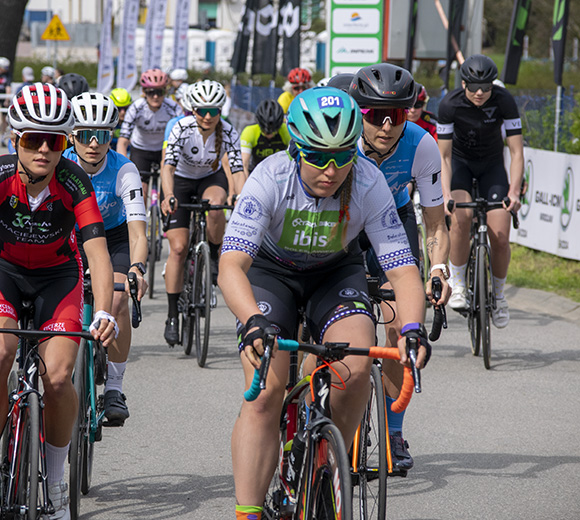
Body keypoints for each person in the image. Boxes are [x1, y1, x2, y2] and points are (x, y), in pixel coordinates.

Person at [218, 86, 430, 520]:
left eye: (342, 155)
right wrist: (253, 320)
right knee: (265, 392)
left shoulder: (368, 181)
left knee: (353, 370)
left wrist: (411, 329)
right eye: (317, 156)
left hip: (335, 273)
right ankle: (248, 512)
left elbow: (403, 270)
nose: (331, 170)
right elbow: (231, 267)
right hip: (272, 275)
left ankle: (329, 460)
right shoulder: (269, 178)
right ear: (296, 149)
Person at [0, 83, 116, 519]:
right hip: (0, 271)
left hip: (57, 277)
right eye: (33, 139)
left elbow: (98, 255)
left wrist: (103, 311)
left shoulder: (74, 181)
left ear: (65, 144)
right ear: (15, 140)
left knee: (61, 377)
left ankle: (58, 485)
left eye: (55, 141)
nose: (44, 149)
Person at [349, 63, 450, 470]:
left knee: (397, 328)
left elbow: (436, 223)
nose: (387, 126)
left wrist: (439, 269)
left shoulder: (421, 144)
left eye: (397, 115)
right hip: (348, 225)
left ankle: (393, 429)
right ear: (359, 114)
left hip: (394, 222)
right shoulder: (344, 142)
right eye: (375, 115)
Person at [63, 92, 148, 425]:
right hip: (71, 236)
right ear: (73, 136)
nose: (94, 143)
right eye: (85, 135)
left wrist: (137, 269)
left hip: (112, 239)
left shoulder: (124, 169)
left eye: (103, 136)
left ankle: (114, 387)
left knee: (116, 299)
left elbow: (138, 233)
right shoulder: (62, 164)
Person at [437, 54, 523, 327]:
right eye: (474, 87)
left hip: (492, 166)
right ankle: (460, 283)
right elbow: (445, 156)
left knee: (499, 236)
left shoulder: (503, 100)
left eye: (486, 87)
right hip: (461, 165)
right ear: (463, 83)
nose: (479, 93)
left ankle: (498, 295)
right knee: (460, 219)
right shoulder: (450, 104)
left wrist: (515, 191)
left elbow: (517, 151)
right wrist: (446, 195)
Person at [161, 79, 244, 345]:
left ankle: (215, 253)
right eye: (202, 110)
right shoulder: (180, 128)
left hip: (210, 180)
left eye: (213, 111)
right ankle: (173, 315)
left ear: (220, 110)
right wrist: (169, 195)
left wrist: (239, 195)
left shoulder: (229, 131)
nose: (208, 116)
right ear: (192, 109)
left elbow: (237, 167)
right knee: (178, 248)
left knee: (217, 208)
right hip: (182, 182)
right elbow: (168, 167)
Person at [117, 68, 182, 194]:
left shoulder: (173, 108)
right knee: (140, 188)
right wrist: (123, 165)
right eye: (151, 92)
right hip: (141, 149)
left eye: (160, 92)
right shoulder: (136, 108)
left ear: (166, 91)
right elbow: (123, 141)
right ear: (144, 92)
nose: (156, 96)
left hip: (164, 150)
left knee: (168, 188)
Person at [239, 99, 290, 177]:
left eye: (274, 131)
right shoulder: (249, 131)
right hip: (257, 173)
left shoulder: (286, 130)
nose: (270, 135)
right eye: (265, 131)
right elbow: (244, 165)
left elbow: (295, 161)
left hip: (281, 173)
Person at [108, 87, 132, 152]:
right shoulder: (106, 124)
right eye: (119, 108)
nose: (123, 112)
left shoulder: (134, 123)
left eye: (126, 108)